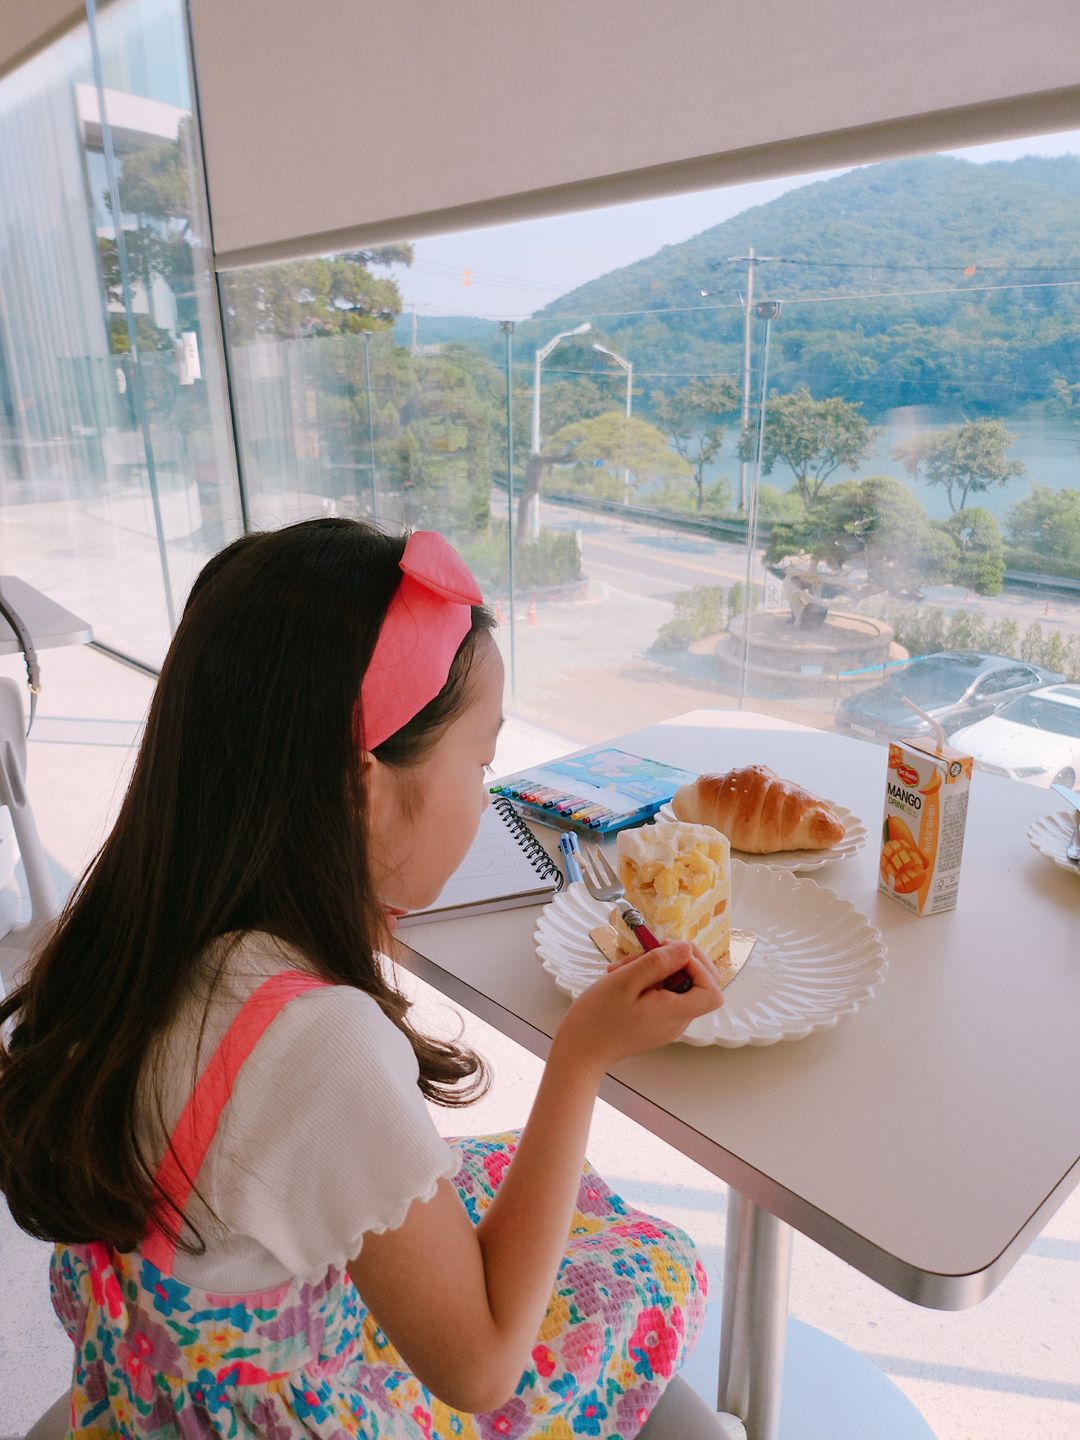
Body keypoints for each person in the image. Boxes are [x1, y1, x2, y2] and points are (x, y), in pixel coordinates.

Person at [0, 519, 725, 1439]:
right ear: (361, 789)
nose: (487, 795)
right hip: (288, 1413)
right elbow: (481, 1368)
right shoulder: (322, 1045)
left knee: (523, 1187)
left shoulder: (131, 933)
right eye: (482, 760)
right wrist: (582, 1056)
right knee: (652, 1265)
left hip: (161, 1382)